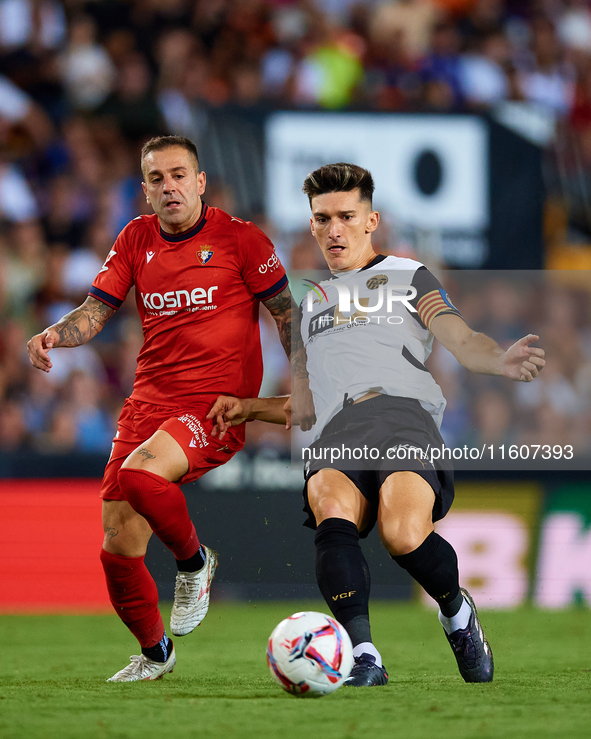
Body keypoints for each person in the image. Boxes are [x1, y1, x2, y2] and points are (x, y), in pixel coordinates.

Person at [207, 162, 546, 687]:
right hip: (337, 430)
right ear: (312, 225)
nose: (333, 229)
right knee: (329, 505)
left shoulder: (410, 276)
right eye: (322, 219)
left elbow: (460, 338)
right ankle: (364, 655)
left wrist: (498, 359)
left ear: (371, 220)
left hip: (402, 417)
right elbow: (304, 407)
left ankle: (457, 613)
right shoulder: (309, 305)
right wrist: (247, 407)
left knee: (404, 535)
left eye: (346, 216)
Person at [27, 135, 296, 682]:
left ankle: (196, 563)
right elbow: (96, 309)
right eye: (156, 179)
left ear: (199, 183)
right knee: (117, 548)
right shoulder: (134, 239)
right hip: (148, 402)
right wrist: (56, 333)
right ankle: (156, 654)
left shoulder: (241, 240)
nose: (169, 186)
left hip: (215, 405)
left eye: (178, 175)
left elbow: (286, 316)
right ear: (145, 191)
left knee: (142, 477)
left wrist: (302, 388)